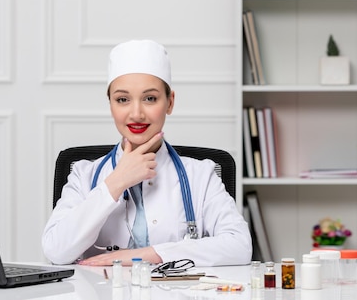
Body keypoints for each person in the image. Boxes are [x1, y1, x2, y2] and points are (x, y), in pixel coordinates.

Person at [42, 39, 252, 266]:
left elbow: (239, 246)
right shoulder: (84, 174)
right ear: (110, 104)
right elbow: (55, 251)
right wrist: (115, 183)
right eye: (122, 99)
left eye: (150, 98)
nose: (136, 114)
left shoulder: (201, 175)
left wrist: (145, 255)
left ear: (170, 102)